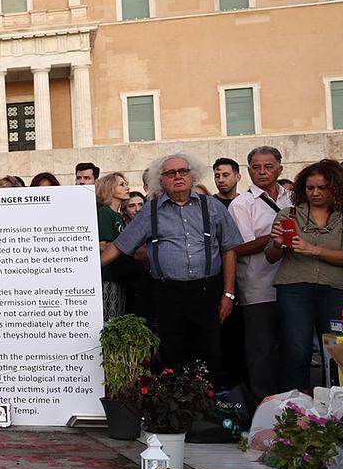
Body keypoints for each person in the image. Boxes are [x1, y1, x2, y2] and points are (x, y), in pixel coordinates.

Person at [102, 152, 244, 378]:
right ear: (162, 180)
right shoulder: (150, 210)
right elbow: (121, 245)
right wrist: (87, 267)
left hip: (207, 289)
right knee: (173, 350)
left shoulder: (212, 206)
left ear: (192, 175)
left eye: (183, 171)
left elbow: (229, 249)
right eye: (171, 173)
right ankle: (178, 397)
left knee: (210, 348)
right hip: (168, 292)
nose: (178, 176)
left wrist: (228, 293)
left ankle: (209, 396)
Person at [267, 160, 343, 393]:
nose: (315, 193)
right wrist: (277, 244)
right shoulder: (289, 214)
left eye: (322, 187)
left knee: (338, 350)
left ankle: (338, 403)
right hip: (294, 289)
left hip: (337, 289)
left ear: (336, 187)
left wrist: (314, 250)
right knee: (297, 349)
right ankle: (297, 406)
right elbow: (270, 257)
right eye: (310, 187)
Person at [229, 146, 292, 400]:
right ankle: (263, 408)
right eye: (256, 167)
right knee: (261, 352)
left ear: (280, 169)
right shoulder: (241, 204)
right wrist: (279, 234)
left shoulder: (293, 198)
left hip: (294, 285)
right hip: (258, 288)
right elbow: (238, 247)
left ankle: (293, 406)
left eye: (268, 166)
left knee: (293, 349)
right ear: (248, 171)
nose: (262, 172)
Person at [95, 172, 133, 321]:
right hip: (108, 277)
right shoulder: (105, 213)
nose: (127, 188)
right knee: (110, 320)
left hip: (120, 276)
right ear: (110, 188)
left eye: (126, 184)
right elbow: (104, 244)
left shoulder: (119, 216)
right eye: (122, 185)